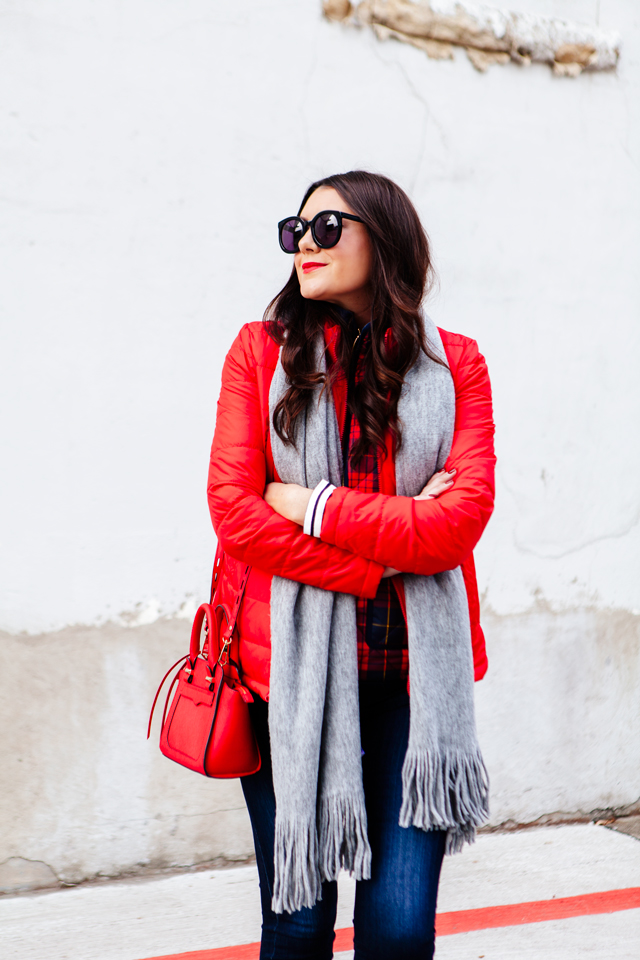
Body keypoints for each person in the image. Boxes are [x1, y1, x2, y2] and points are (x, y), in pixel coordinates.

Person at [207, 170, 495, 960]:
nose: (305, 243)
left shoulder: (457, 366)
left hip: (413, 689)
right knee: (298, 924)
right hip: (286, 685)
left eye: (327, 228)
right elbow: (236, 515)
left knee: (399, 932)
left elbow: (455, 527)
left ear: (385, 237)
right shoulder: (259, 353)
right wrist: (381, 561)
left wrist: (313, 506)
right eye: (294, 230)